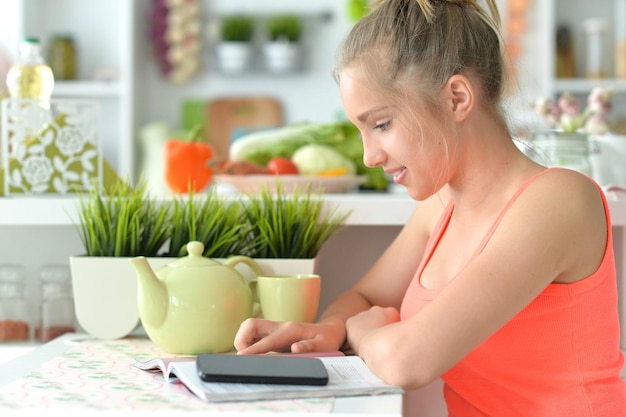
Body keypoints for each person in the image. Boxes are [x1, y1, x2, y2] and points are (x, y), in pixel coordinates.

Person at [234, 0, 626, 415]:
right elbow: (365, 297)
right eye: (361, 130)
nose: (369, 156)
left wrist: (365, 334)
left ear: (456, 97)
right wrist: (332, 329)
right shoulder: (441, 205)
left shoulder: (559, 201)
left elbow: (407, 361)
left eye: (381, 124)